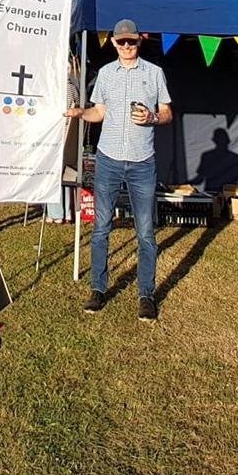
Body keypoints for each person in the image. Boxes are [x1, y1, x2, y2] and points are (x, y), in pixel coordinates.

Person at [65, 19, 172, 323]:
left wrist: (153, 117)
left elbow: (167, 113)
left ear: (140, 41)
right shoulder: (106, 74)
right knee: (101, 228)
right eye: (122, 42)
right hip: (109, 160)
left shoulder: (154, 73)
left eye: (132, 42)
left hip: (142, 163)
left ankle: (146, 295)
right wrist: (81, 113)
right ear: (113, 42)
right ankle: (98, 289)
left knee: (146, 232)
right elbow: (99, 111)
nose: (127, 47)